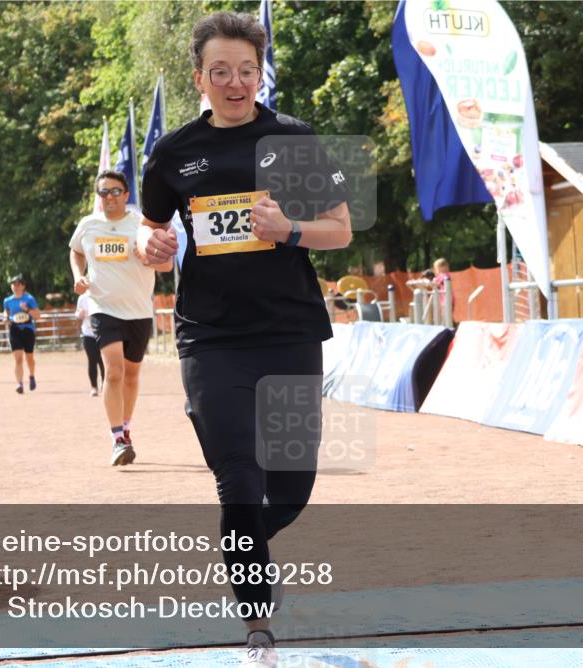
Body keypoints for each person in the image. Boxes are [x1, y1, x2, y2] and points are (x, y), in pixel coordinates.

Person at [138, 12, 352, 666]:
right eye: (221, 71)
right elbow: (149, 230)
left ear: (260, 75)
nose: (235, 83)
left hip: (289, 332)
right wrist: (152, 248)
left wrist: (289, 228)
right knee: (237, 481)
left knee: (290, 488)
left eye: (246, 71)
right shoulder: (173, 153)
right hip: (211, 339)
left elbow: (340, 229)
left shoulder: (294, 139)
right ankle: (257, 629)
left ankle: (249, 547)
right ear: (199, 79)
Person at [70, 170, 171, 465]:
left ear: (126, 195)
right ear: (98, 196)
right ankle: (117, 439)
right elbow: (76, 251)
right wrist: (78, 276)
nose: (110, 197)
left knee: (132, 375)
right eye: (104, 192)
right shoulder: (88, 225)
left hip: (138, 310)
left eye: (115, 191)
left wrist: (149, 257)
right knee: (114, 372)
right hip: (103, 307)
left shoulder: (141, 224)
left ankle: (126, 427)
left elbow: (166, 265)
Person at [2, 275, 40, 394]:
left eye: (18, 284)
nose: (15, 287)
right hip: (15, 329)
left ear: (23, 286)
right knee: (18, 359)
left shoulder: (29, 299)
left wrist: (27, 309)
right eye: (13, 284)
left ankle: (32, 376)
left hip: (27, 329)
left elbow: (37, 315)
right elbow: (6, 311)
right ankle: (19, 384)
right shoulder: (7, 300)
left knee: (29, 358)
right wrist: (5, 317)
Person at [75, 291, 104, 397]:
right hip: (88, 334)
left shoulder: (103, 293)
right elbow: (77, 314)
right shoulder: (83, 298)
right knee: (92, 360)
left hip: (103, 333)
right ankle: (94, 387)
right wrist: (80, 315)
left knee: (103, 360)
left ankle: (105, 383)